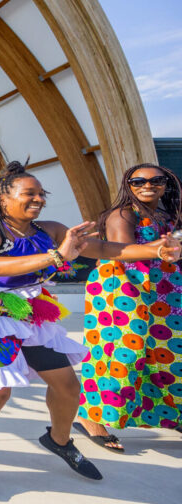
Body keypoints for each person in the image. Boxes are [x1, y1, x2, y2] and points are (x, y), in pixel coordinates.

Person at [0, 161, 180, 500]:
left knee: (68, 387)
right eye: (29, 194)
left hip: (27, 310)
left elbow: (108, 249)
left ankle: (59, 441)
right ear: (3, 199)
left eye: (41, 194)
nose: (38, 199)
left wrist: (156, 250)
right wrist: (56, 256)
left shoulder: (49, 230)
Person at [76, 163, 182, 451]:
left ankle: (171, 414)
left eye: (156, 180)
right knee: (123, 354)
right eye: (138, 181)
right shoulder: (123, 213)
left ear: (166, 184)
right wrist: (161, 249)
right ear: (128, 185)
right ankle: (91, 418)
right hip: (123, 288)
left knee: (168, 354)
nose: (147, 185)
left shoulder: (166, 214)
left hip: (163, 290)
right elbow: (122, 250)